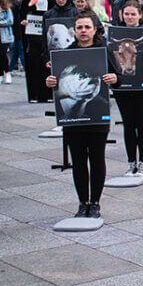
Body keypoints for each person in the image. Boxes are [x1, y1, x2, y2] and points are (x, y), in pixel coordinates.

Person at [45, 13, 118, 219]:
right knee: (78, 160)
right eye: (79, 27)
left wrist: (114, 78)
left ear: (95, 29)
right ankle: (82, 202)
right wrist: (50, 81)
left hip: (97, 115)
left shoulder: (103, 51)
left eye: (87, 27)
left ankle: (95, 202)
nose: (83, 31)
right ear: (74, 30)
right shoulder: (65, 54)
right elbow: (56, 83)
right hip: (73, 120)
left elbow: (119, 77)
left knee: (96, 158)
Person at [112, 0, 143, 177]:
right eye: (127, 14)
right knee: (128, 125)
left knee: (142, 124)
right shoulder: (114, 35)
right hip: (122, 86)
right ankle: (131, 162)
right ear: (121, 15)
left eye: (133, 14)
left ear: (140, 15)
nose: (130, 17)